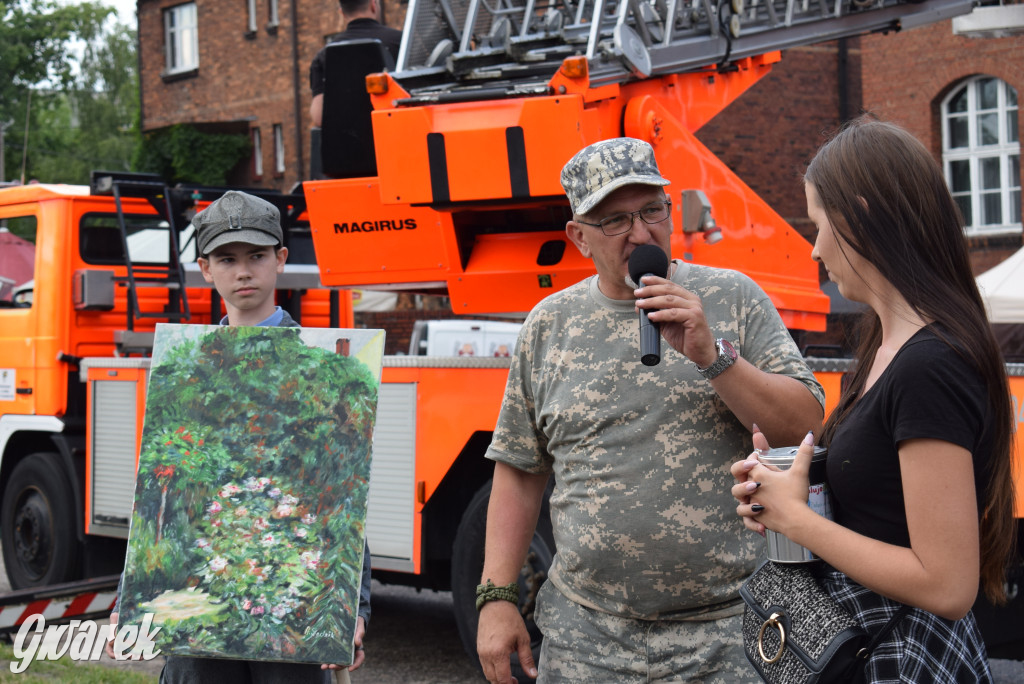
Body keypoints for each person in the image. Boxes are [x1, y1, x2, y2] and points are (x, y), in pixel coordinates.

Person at [476, 137, 826, 684]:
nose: (641, 234)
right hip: (587, 641)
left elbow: (806, 427)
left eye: (652, 211)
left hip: (731, 635)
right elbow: (520, 469)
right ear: (579, 237)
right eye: (615, 220)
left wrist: (714, 356)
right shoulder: (549, 325)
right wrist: (497, 597)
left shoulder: (732, 298)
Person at [731, 117, 1017, 682]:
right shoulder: (888, 347)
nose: (814, 249)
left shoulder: (929, 364)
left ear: (859, 218)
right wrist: (787, 492)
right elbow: (881, 515)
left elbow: (948, 584)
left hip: (906, 657)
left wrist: (801, 522)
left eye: (818, 224)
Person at [106, 191, 372, 683]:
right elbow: (161, 494)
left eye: (257, 256)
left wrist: (351, 607)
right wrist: (133, 595)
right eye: (227, 259)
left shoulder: (327, 370)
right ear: (206, 269)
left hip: (292, 603)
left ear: (281, 260)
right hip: (197, 603)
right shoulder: (184, 369)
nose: (243, 272)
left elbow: (341, 494)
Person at [309, 0, 402, 128]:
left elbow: (319, 117)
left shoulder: (325, 55)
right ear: (373, 5)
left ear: (342, 13)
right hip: (395, 135)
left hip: (349, 144)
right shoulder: (401, 42)